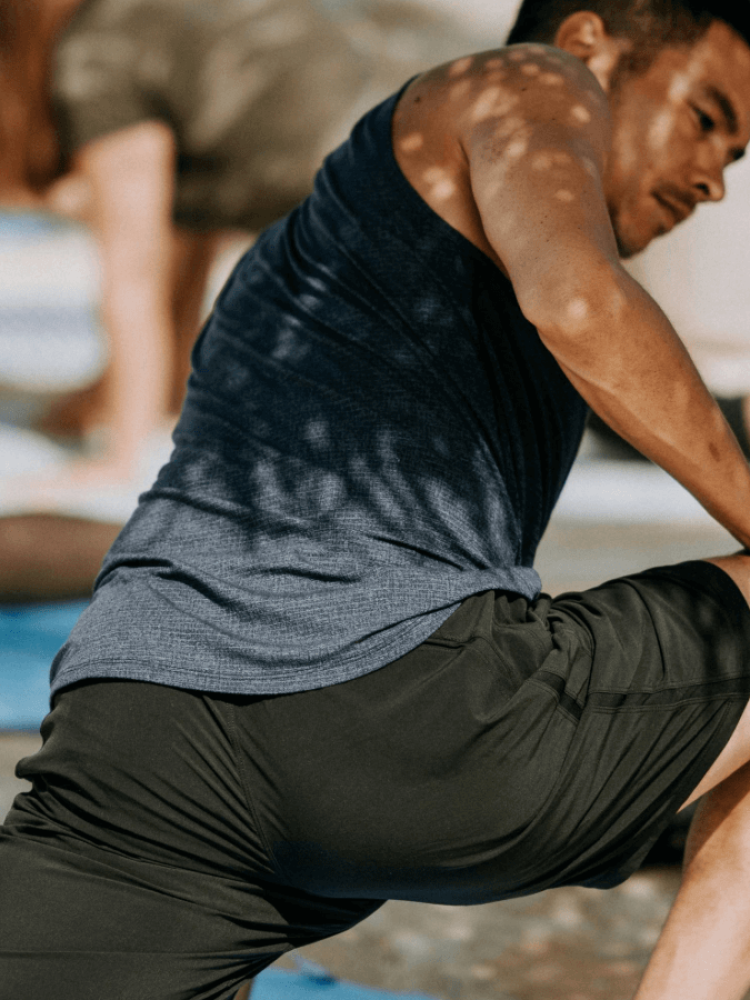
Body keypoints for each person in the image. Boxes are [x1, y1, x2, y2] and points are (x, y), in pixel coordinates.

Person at [4, 2, 750, 998]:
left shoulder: (319, 256)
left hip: (138, 741)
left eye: (736, 158)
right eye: (707, 118)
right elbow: (581, 304)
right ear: (588, 45)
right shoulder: (527, 81)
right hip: (399, 720)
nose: (714, 178)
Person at [0, 0, 472, 602]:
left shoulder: (96, 52)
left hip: (380, 177)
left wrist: (121, 454)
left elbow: (134, 272)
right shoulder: (164, 23)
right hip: (441, 132)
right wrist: (141, 388)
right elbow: (189, 232)